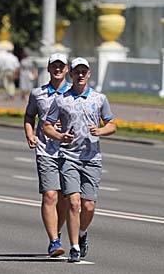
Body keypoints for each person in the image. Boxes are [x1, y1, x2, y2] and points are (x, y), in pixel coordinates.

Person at [43, 57, 116, 263]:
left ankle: (82, 233)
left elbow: (112, 124)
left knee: (89, 205)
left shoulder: (99, 99)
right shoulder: (61, 99)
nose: (81, 75)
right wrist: (60, 136)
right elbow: (47, 126)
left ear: (89, 74)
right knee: (73, 203)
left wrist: (100, 130)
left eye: (84, 71)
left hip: (92, 158)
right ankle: (74, 247)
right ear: (71, 74)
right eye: (77, 71)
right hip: (69, 157)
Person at [23, 53, 70, 257]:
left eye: (61, 66)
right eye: (54, 66)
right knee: (50, 195)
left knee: (65, 199)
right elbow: (29, 116)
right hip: (46, 149)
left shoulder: (75, 92)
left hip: (71, 152)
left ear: (66, 69)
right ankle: (54, 241)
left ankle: (56, 231)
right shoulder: (38, 93)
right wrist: (30, 134)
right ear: (49, 69)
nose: (58, 69)